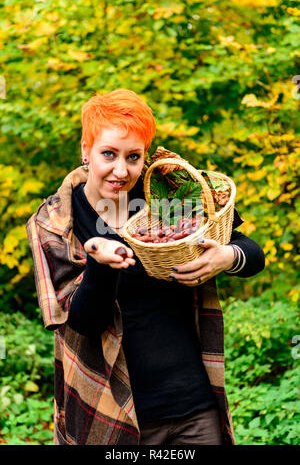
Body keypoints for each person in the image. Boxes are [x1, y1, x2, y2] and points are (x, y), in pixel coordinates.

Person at [26, 88, 265, 446]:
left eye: (133, 157)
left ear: (145, 157)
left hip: (193, 409)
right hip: (110, 415)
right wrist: (101, 264)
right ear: (85, 150)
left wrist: (226, 256)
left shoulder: (169, 193)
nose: (121, 170)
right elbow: (83, 322)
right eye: (109, 154)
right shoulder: (56, 222)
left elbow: (252, 254)